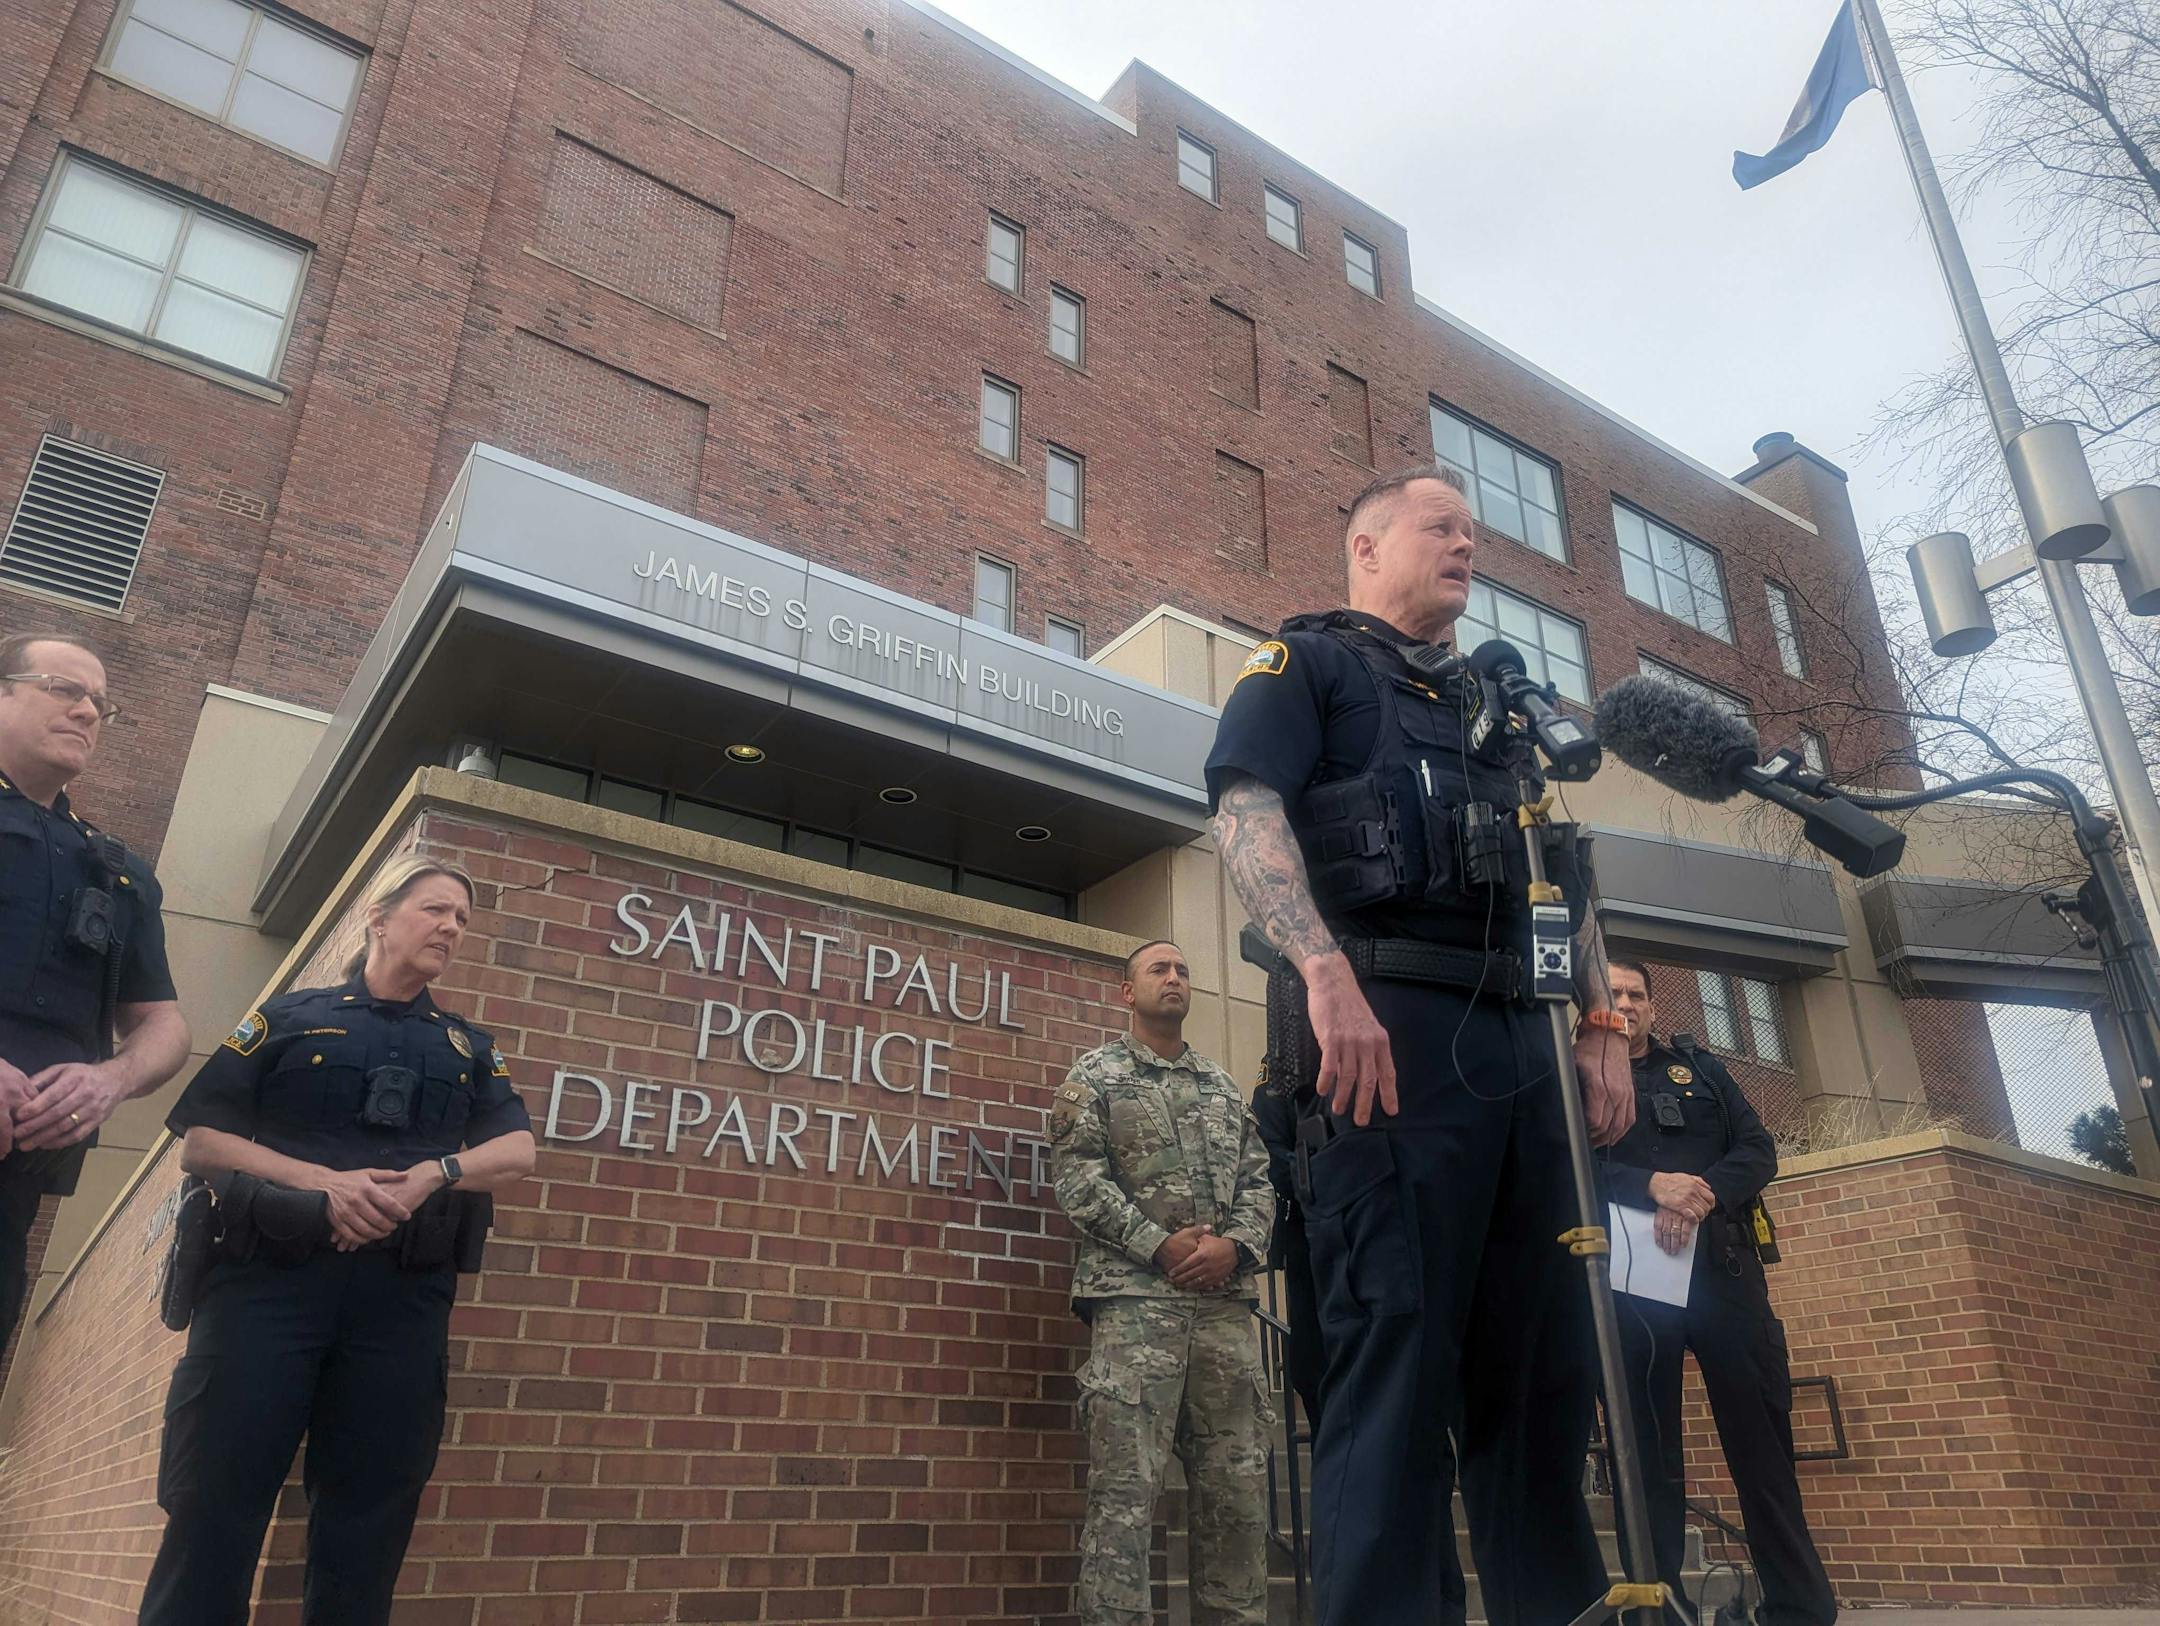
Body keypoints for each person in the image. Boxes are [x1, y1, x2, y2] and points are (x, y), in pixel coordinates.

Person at [1205, 466, 1636, 1626]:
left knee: (1545, 1372)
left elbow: (1565, 873)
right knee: (1392, 1360)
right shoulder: (1307, 668)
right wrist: (1324, 970)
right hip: (1382, 1033)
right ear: (1366, 545)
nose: (1468, 546)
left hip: (1524, 1046)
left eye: (1475, 533)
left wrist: (1601, 1023)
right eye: (1443, 526)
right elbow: (1244, 813)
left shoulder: (1502, 708)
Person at [141, 854, 536, 1626]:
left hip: (399, 1305)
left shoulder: (470, 1048)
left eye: (462, 918)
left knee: (369, 1522)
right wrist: (322, 1182)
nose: (452, 927)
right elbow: (204, 1142)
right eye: (435, 909)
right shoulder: (286, 1018)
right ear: (380, 918)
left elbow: (518, 1152)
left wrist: (433, 1173)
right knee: (214, 1502)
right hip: (265, 1288)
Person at [1603, 959, 1837, 1626]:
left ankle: (1800, 1608)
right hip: (1636, 1273)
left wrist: (1696, 1198)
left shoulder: (1704, 1070)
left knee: (1761, 1444)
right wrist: (1650, 1189)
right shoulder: (1576, 1079)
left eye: (1637, 994)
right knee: (1647, 1451)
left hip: (1723, 1268)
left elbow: (1758, 1150)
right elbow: (1563, 1165)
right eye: (1614, 993)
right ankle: (1660, 1609)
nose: (1627, 1004)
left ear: (1652, 1005)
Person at [1052, 939, 1277, 1626]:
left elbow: (1259, 1181)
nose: (1174, 978)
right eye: (1159, 969)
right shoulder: (1094, 1077)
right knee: (1125, 1497)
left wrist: (1236, 1247)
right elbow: (1077, 1180)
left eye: (1183, 969)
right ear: (1128, 992)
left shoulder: (1220, 1086)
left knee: (1236, 1497)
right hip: (1135, 1312)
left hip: (1221, 1317)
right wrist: (1156, 1243)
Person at [0, 634, 189, 1349]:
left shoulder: (116, 871)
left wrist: (113, 1079)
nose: (86, 711)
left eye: (100, 703)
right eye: (62, 689)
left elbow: (163, 1024)